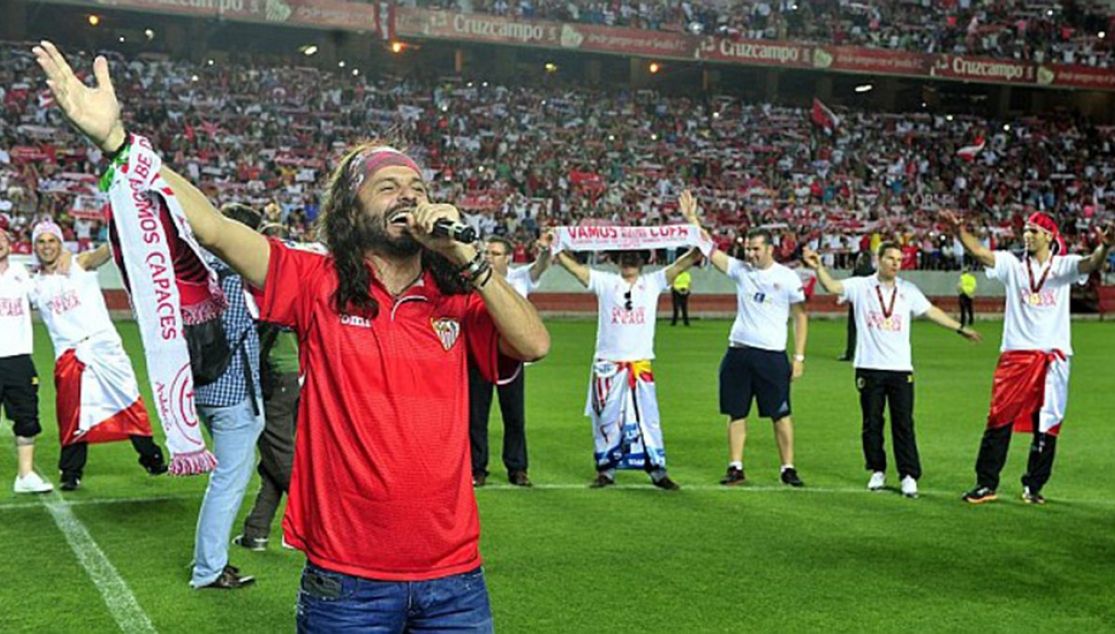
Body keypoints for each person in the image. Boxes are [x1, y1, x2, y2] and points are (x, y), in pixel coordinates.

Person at [34, 41, 548, 631]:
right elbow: (218, 231)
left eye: (418, 187)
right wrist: (121, 144)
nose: (410, 194)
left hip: (455, 578)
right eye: (388, 187)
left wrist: (469, 259)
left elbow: (532, 344)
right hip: (347, 583)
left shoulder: (458, 294)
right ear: (352, 213)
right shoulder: (316, 281)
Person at [944, 210, 1111, 505]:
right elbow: (981, 253)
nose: (1027, 235)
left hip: (1054, 357)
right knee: (998, 417)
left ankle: (1033, 486)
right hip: (1017, 354)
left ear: (1049, 236)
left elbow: (1092, 263)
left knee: (1047, 422)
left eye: (1034, 231)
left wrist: (1106, 246)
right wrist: (960, 232)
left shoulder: (1064, 266)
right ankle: (986, 483)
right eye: (1026, 230)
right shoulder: (1012, 265)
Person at [803, 243, 982, 498]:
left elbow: (931, 311)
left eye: (899, 259)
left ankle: (909, 475)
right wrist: (819, 267)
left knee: (904, 423)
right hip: (869, 367)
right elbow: (832, 287)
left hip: (900, 368)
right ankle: (877, 470)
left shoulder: (908, 290)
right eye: (890, 258)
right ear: (879, 259)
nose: (896, 263)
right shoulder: (861, 285)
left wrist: (959, 328)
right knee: (872, 422)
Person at [679, 191, 808, 487]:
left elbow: (801, 317)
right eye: (748, 248)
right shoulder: (740, 271)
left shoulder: (788, 278)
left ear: (770, 249)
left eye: (755, 249)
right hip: (738, 352)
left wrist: (798, 357)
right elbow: (708, 248)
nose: (750, 254)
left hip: (772, 356)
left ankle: (788, 468)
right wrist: (691, 219)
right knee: (736, 412)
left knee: (780, 414)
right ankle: (735, 466)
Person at [28, 221, 166, 491]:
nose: (47, 247)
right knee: (72, 414)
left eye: (52, 241)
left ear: (60, 243)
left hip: (105, 349)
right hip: (70, 356)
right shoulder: (34, 284)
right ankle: (70, 472)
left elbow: (108, 250)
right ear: (35, 247)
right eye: (41, 242)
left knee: (129, 403)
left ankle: (151, 457)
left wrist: (123, 221)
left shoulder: (80, 264)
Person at [555, 239, 701, 490]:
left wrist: (695, 231)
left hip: (639, 364)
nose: (629, 259)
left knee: (648, 419)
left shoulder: (653, 282)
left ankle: (657, 469)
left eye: (634, 255)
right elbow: (576, 270)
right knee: (605, 420)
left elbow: (684, 262)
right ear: (616, 259)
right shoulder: (606, 282)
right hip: (607, 363)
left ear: (644, 259)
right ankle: (606, 470)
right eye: (624, 254)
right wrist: (556, 247)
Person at [190, 203, 266, 590]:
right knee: (227, 483)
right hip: (234, 390)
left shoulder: (197, 265)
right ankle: (208, 568)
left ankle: (210, 561)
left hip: (203, 385)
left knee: (225, 479)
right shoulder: (238, 274)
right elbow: (253, 321)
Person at [235, 222, 300, 552]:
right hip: (297, 377)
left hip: (274, 378)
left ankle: (313, 521)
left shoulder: (261, 286)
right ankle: (256, 531)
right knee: (276, 457)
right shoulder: (298, 280)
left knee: (281, 455)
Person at [469, 233, 553, 488]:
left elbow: (540, 266)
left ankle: (517, 468)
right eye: (487, 253)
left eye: (495, 254)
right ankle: (477, 468)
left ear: (508, 258)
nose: (489, 258)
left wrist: (546, 251)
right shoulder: (474, 278)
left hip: (511, 359)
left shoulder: (520, 278)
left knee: (514, 417)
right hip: (479, 353)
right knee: (475, 416)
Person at [0, 226, 53, 493]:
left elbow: (44, 297)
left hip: (18, 358)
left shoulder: (22, 274)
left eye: (2, 238)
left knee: (26, 417)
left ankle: (25, 475)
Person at [839, 249, 876, 361]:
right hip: (869, 305)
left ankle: (850, 353)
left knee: (852, 329)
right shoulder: (874, 272)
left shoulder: (857, 272)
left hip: (856, 302)